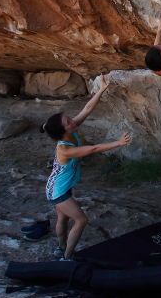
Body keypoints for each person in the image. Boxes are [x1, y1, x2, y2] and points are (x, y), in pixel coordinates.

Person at [40, 74, 132, 260]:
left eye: (69, 119)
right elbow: (94, 148)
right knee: (81, 220)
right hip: (58, 192)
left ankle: (61, 247)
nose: (72, 121)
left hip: (55, 187)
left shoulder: (69, 131)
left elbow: (87, 108)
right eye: (68, 122)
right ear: (63, 130)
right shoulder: (65, 149)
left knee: (63, 218)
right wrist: (118, 143)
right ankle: (66, 257)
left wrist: (102, 89)